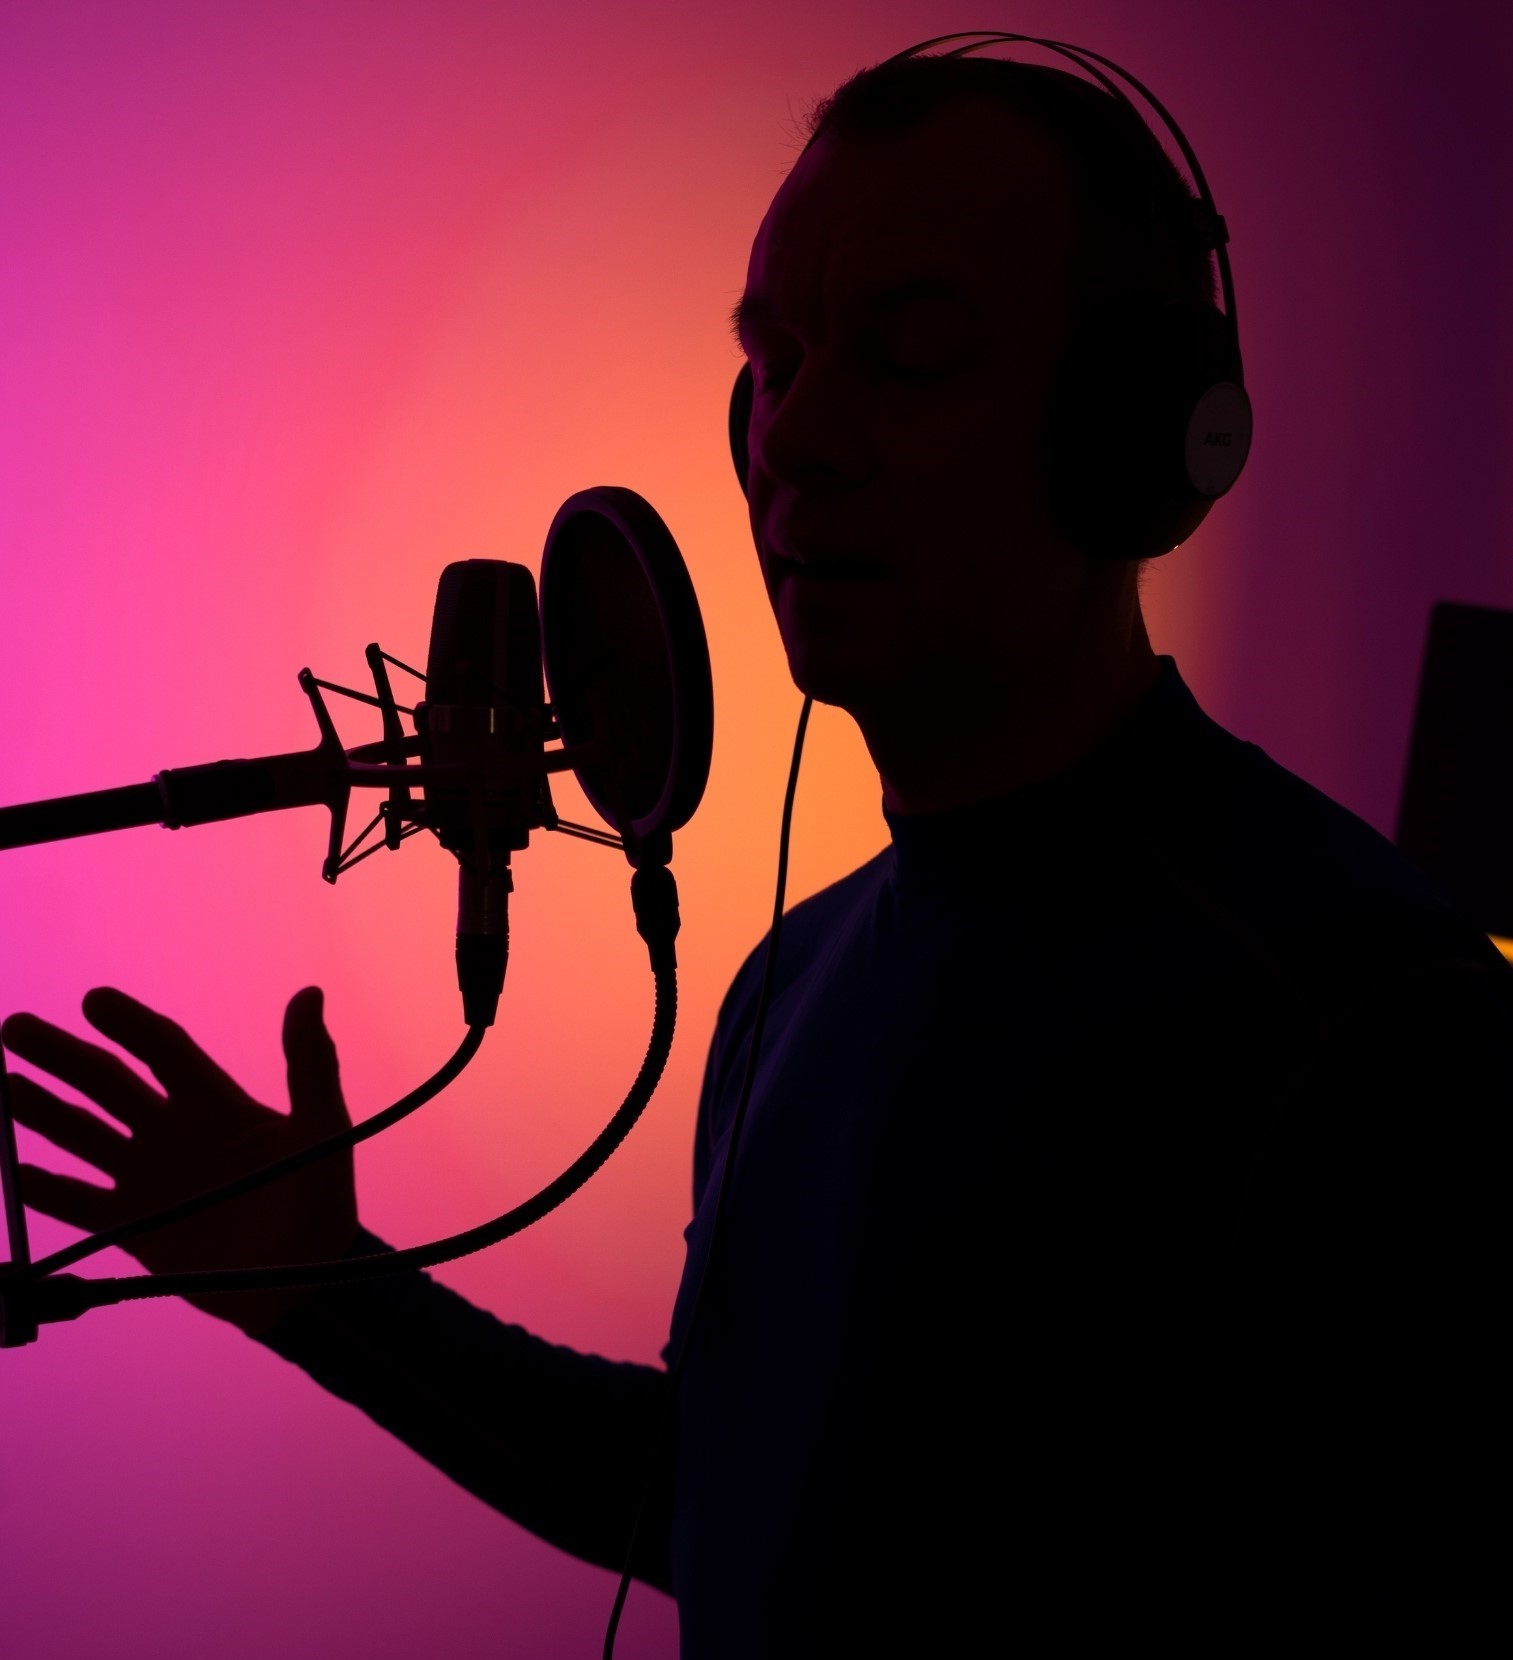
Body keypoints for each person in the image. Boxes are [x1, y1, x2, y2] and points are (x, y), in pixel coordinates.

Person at [3, 49, 1506, 1655]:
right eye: (773, 366)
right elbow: (731, 1494)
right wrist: (323, 1291)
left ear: (1130, 433)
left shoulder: (1369, 1020)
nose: (797, 438)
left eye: (909, 356)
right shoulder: (788, 982)